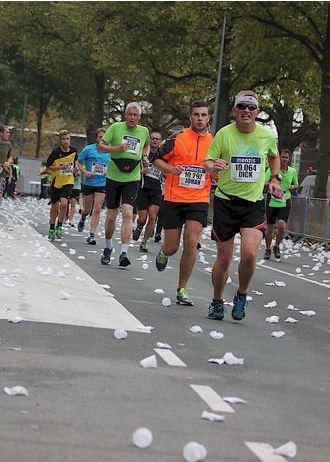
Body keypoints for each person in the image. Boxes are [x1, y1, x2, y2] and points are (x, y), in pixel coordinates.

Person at [205, 90, 282, 321]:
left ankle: (241, 295)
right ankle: (217, 300)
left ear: (257, 112)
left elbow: (274, 156)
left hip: (253, 204)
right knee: (225, 259)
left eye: (251, 107)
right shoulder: (223, 134)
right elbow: (208, 160)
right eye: (242, 107)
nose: (247, 111)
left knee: (249, 255)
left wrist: (275, 178)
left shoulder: (266, 136)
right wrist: (212, 165)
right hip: (226, 202)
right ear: (235, 111)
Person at [150, 101, 213, 306]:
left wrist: (217, 170)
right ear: (190, 117)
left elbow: (219, 169)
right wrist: (170, 170)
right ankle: (163, 252)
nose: (200, 118)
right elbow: (156, 159)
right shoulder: (177, 138)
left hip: (199, 199)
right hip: (173, 198)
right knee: (172, 247)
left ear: (209, 118)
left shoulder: (215, 142)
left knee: (191, 242)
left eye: (204, 115)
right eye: (196, 115)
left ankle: (182, 288)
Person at [98, 102, 150, 267]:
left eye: (135, 115)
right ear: (125, 115)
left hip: (132, 177)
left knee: (128, 213)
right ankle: (107, 247)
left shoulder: (144, 131)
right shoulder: (115, 127)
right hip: (114, 176)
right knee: (111, 216)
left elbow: (146, 145)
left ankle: (123, 253)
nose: (132, 118)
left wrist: (145, 156)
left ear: (139, 117)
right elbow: (101, 147)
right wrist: (117, 148)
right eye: (130, 114)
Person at [264, 148, 298, 260]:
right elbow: (264, 181)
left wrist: (293, 187)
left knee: (282, 226)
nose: (284, 159)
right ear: (279, 157)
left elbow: (296, 184)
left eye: (286, 158)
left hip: (285, 200)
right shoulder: (273, 170)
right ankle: (268, 248)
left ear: (289, 159)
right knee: (269, 228)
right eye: (282, 157)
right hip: (272, 200)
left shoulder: (292, 171)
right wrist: (272, 183)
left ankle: (276, 246)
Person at [77, 128, 110, 244]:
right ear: (96, 138)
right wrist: (85, 172)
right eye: (100, 137)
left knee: (97, 210)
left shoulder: (110, 151)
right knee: (87, 209)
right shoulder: (89, 149)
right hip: (89, 183)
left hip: (102, 183)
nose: (102, 139)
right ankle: (83, 218)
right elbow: (79, 162)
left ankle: (92, 234)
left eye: (104, 137)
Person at [132, 131, 163, 251]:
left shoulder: (163, 155)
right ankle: (139, 227)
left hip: (156, 190)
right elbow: (133, 169)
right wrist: (141, 172)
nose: (155, 140)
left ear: (160, 141)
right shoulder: (144, 153)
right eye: (153, 138)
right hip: (143, 189)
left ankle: (144, 243)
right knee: (142, 218)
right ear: (149, 140)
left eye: (157, 139)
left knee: (153, 216)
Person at [45, 130, 78, 241]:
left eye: (67, 139)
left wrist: (76, 169)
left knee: (64, 204)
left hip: (68, 181)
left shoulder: (74, 151)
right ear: (60, 141)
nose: (66, 141)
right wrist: (59, 168)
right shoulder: (55, 153)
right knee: (54, 207)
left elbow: (75, 162)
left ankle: (59, 225)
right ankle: (51, 228)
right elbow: (48, 167)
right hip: (56, 182)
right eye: (63, 139)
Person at [0, 125, 13, 205]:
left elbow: (10, 156)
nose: (9, 134)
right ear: (1, 133)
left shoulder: (8, 144)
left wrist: (8, 162)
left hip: (2, 173)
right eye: (7, 132)